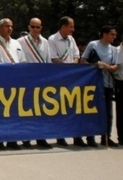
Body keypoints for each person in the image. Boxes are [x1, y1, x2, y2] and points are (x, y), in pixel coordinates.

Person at [0, 18, 26, 150]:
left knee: (14, 112)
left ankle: (12, 140)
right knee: (0, 112)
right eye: (6, 26)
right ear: (0, 28)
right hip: (1, 82)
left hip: (16, 82)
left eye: (11, 26)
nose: (9, 28)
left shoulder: (16, 43)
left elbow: (22, 61)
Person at [81, 25, 120, 147]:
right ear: (105, 34)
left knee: (108, 113)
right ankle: (90, 137)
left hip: (107, 84)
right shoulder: (93, 45)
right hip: (93, 84)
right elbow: (83, 60)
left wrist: (106, 66)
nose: (114, 36)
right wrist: (94, 66)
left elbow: (115, 68)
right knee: (91, 111)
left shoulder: (114, 50)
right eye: (112, 34)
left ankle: (106, 136)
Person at [17, 18, 52, 149]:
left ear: (41, 28)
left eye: (38, 27)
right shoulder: (21, 42)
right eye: (33, 27)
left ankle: (41, 137)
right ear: (29, 27)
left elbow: (48, 61)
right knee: (27, 110)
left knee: (42, 110)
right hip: (26, 80)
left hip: (42, 80)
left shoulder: (46, 42)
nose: (35, 30)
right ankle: (26, 138)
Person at [48, 16, 80, 147]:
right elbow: (53, 58)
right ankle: (60, 136)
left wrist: (72, 67)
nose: (73, 29)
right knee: (60, 108)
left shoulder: (71, 40)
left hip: (72, 79)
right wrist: (66, 69)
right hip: (59, 79)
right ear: (63, 27)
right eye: (71, 26)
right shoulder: (52, 39)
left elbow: (77, 55)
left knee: (74, 108)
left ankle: (76, 136)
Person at [114, 33, 123, 146]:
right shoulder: (117, 51)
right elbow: (115, 68)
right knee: (121, 112)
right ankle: (122, 137)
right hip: (121, 83)